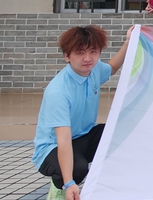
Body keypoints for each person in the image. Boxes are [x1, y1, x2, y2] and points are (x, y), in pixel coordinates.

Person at [32, 25, 134, 200]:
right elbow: (63, 140)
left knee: (120, 133)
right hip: (52, 147)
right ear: (67, 56)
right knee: (77, 169)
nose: (87, 58)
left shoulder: (94, 70)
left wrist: (128, 42)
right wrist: (69, 183)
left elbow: (112, 67)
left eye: (93, 51)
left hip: (83, 136)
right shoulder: (59, 92)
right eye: (80, 53)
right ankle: (59, 188)